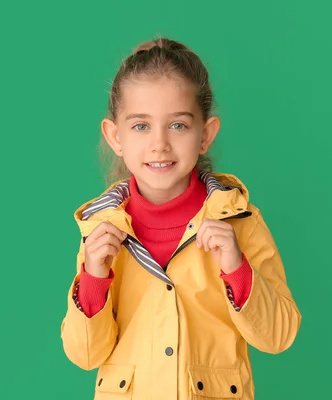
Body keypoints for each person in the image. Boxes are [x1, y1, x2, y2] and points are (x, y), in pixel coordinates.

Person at [60, 36, 301, 400]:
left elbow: (279, 336)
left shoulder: (239, 219)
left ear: (206, 134)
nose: (159, 144)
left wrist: (237, 267)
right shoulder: (101, 229)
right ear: (115, 136)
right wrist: (94, 278)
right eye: (141, 125)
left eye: (178, 125)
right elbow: (85, 355)